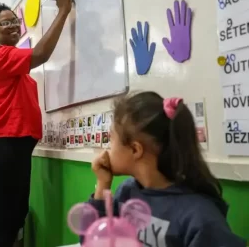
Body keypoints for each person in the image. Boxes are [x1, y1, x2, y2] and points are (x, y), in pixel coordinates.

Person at [86, 92, 245, 247]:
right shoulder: (127, 192)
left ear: (135, 150)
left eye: (111, 141)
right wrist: (102, 184)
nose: (106, 149)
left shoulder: (200, 218)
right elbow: (93, 240)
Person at [0, 0, 74, 246]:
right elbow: (42, 54)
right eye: (4, 23)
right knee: (4, 218)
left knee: (16, 214)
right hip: (2, 142)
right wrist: (63, 12)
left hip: (16, 145)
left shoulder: (16, 67)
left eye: (14, 20)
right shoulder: (0, 55)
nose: (12, 25)